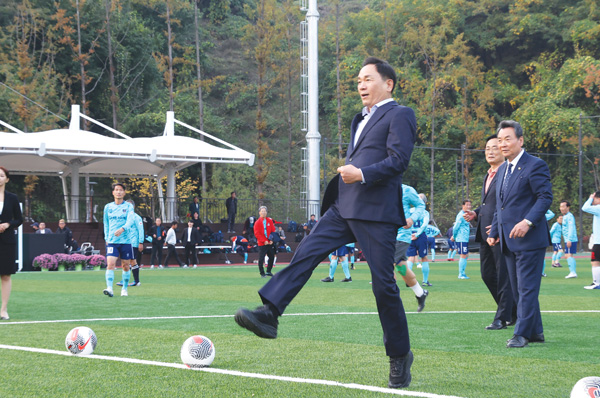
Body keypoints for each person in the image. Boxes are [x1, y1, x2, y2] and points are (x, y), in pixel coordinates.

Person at [234, 57, 417, 388]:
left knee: (383, 286)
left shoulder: (400, 114)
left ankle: (400, 355)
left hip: (376, 211)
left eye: (368, 79)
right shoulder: (358, 118)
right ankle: (270, 315)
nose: (361, 85)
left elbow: (399, 160)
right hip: (344, 204)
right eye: (358, 80)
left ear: (388, 84)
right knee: (306, 252)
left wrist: (362, 173)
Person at [487, 120, 552, 348]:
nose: (502, 145)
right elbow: (500, 205)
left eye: (507, 139)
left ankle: (521, 334)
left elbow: (545, 197)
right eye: (500, 140)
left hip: (530, 240)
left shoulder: (535, 165)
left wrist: (528, 222)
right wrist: (495, 231)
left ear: (520, 140)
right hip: (507, 240)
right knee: (518, 290)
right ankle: (535, 332)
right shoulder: (503, 169)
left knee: (526, 288)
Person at [464, 134, 515, 330]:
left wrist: (496, 225)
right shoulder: (489, 174)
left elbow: (506, 205)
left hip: (500, 233)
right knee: (487, 275)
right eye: (487, 148)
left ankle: (501, 317)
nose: (491, 152)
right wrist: (476, 213)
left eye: (495, 147)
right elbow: (489, 204)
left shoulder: (507, 173)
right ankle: (513, 311)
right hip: (485, 235)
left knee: (503, 276)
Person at [394, 184, 429, 312]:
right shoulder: (379, 188)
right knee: (401, 267)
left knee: (386, 266)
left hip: (401, 236)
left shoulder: (407, 190)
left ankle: (391, 304)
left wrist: (412, 219)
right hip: (384, 235)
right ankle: (420, 293)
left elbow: (421, 205)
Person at [103, 182, 135, 297]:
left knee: (125, 265)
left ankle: (124, 289)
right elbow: (105, 223)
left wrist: (122, 229)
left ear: (124, 192)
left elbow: (131, 221)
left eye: (121, 190)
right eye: (116, 190)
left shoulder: (128, 206)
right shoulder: (108, 207)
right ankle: (110, 288)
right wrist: (107, 237)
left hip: (126, 241)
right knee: (110, 264)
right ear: (113, 192)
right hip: (112, 242)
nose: (119, 192)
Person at [0, 166, 24, 320]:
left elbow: (19, 219)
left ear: (7, 179)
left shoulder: (12, 198)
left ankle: (3, 309)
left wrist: (8, 224)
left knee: (6, 275)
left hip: (7, 241)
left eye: (1, 175)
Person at [117, 200, 144, 287]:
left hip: (133, 243)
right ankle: (128, 280)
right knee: (127, 261)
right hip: (126, 242)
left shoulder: (136, 217)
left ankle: (136, 281)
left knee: (132, 261)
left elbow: (141, 230)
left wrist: (141, 242)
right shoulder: (125, 218)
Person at [406, 197, 431, 286]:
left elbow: (405, 222)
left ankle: (408, 281)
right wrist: (417, 234)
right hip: (420, 236)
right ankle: (425, 281)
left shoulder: (410, 210)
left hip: (410, 235)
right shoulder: (424, 212)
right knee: (424, 257)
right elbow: (424, 225)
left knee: (411, 257)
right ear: (425, 202)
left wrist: (410, 234)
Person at [582, 192, 600, 289]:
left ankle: (596, 283)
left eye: (594, 198)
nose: (593, 201)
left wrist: (590, 198)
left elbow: (584, 208)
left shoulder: (598, 208)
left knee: (595, 262)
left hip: (598, 242)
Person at [253, 206, 276, 277]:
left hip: (269, 243)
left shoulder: (269, 221)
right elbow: (257, 234)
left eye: (265, 211)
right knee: (261, 258)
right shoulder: (257, 222)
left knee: (272, 256)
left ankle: (268, 271)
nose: (263, 212)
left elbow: (273, 231)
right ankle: (262, 273)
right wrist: (264, 241)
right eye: (262, 211)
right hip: (262, 243)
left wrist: (272, 240)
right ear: (259, 213)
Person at [452, 200, 472, 279]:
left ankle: (463, 272)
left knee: (466, 255)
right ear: (463, 206)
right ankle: (461, 274)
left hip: (465, 238)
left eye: (470, 205)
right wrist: (454, 236)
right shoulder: (461, 215)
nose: (469, 207)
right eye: (467, 205)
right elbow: (456, 226)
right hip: (461, 237)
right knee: (463, 255)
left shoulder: (467, 215)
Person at [560, 200, 578, 278]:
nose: (561, 208)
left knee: (568, 255)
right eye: (560, 206)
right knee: (569, 255)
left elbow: (571, 228)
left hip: (570, 239)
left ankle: (573, 272)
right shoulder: (565, 216)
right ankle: (573, 272)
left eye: (563, 206)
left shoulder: (569, 216)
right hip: (568, 239)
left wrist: (569, 239)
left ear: (568, 207)